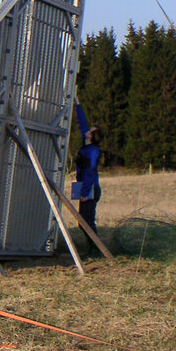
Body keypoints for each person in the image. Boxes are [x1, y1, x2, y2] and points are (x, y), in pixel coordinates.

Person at [74, 100, 102, 254]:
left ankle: (96, 249)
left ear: (91, 136)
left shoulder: (92, 151)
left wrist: (85, 193)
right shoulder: (86, 145)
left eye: (90, 130)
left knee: (87, 221)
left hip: (90, 190)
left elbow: (90, 173)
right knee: (83, 222)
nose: (87, 130)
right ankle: (93, 247)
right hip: (86, 188)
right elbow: (82, 123)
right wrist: (77, 104)